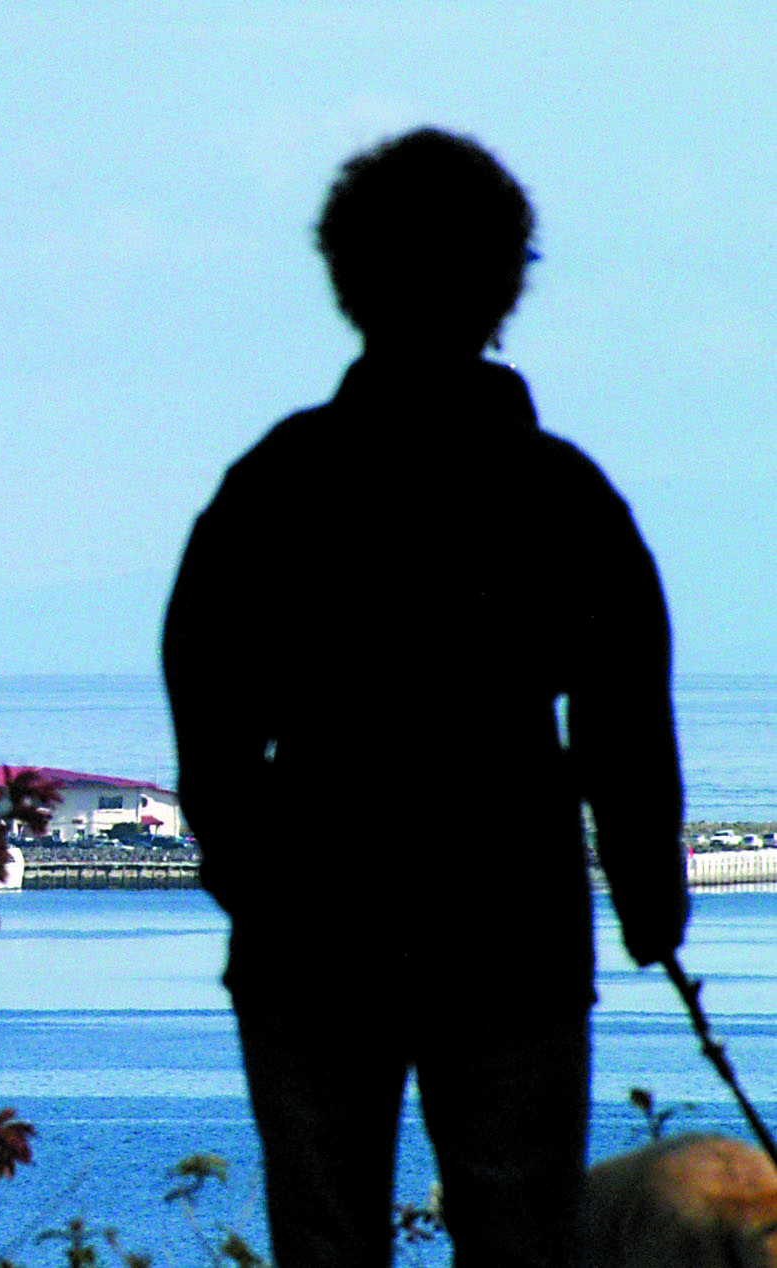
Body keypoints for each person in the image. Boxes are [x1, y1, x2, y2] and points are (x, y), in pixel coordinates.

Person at [161, 127, 690, 1267]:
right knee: (517, 1235)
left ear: (345, 278)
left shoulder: (275, 483)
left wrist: (250, 876)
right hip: (510, 921)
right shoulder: (559, 493)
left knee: (325, 1235)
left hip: (309, 923)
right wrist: (652, 904)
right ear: (508, 282)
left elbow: (207, 713)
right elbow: (624, 724)